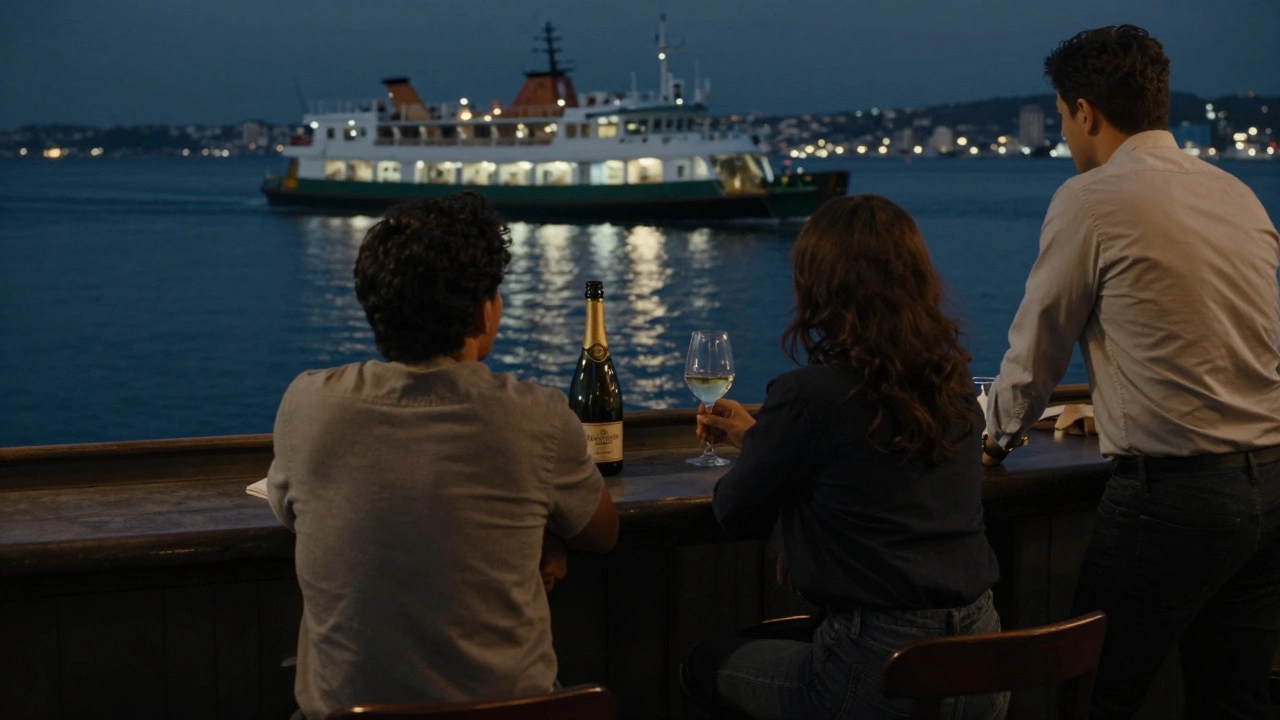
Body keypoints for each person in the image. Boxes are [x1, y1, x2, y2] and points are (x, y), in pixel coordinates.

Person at [983, 25, 1280, 720]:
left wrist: (994, 436)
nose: (1064, 135)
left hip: (1175, 498)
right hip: (1270, 481)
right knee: (1236, 702)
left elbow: (1034, 357)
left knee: (1093, 697)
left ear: (1084, 111)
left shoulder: (1091, 199)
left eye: (1061, 117)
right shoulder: (1238, 195)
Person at [266, 192, 619, 720]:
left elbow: (293, 513)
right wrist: (537, 532)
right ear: (483, 312)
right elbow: (601, 533)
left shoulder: (308, 404)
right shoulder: (538, 417)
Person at [682, 195, 1006, 720]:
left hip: (880, 671)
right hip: (984, 663)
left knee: (703, 666)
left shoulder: (808, 395)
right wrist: (765, 437)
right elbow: (872, 468)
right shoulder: (954, 386)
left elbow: (733, 510)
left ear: (818, 289)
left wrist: (777, 480)